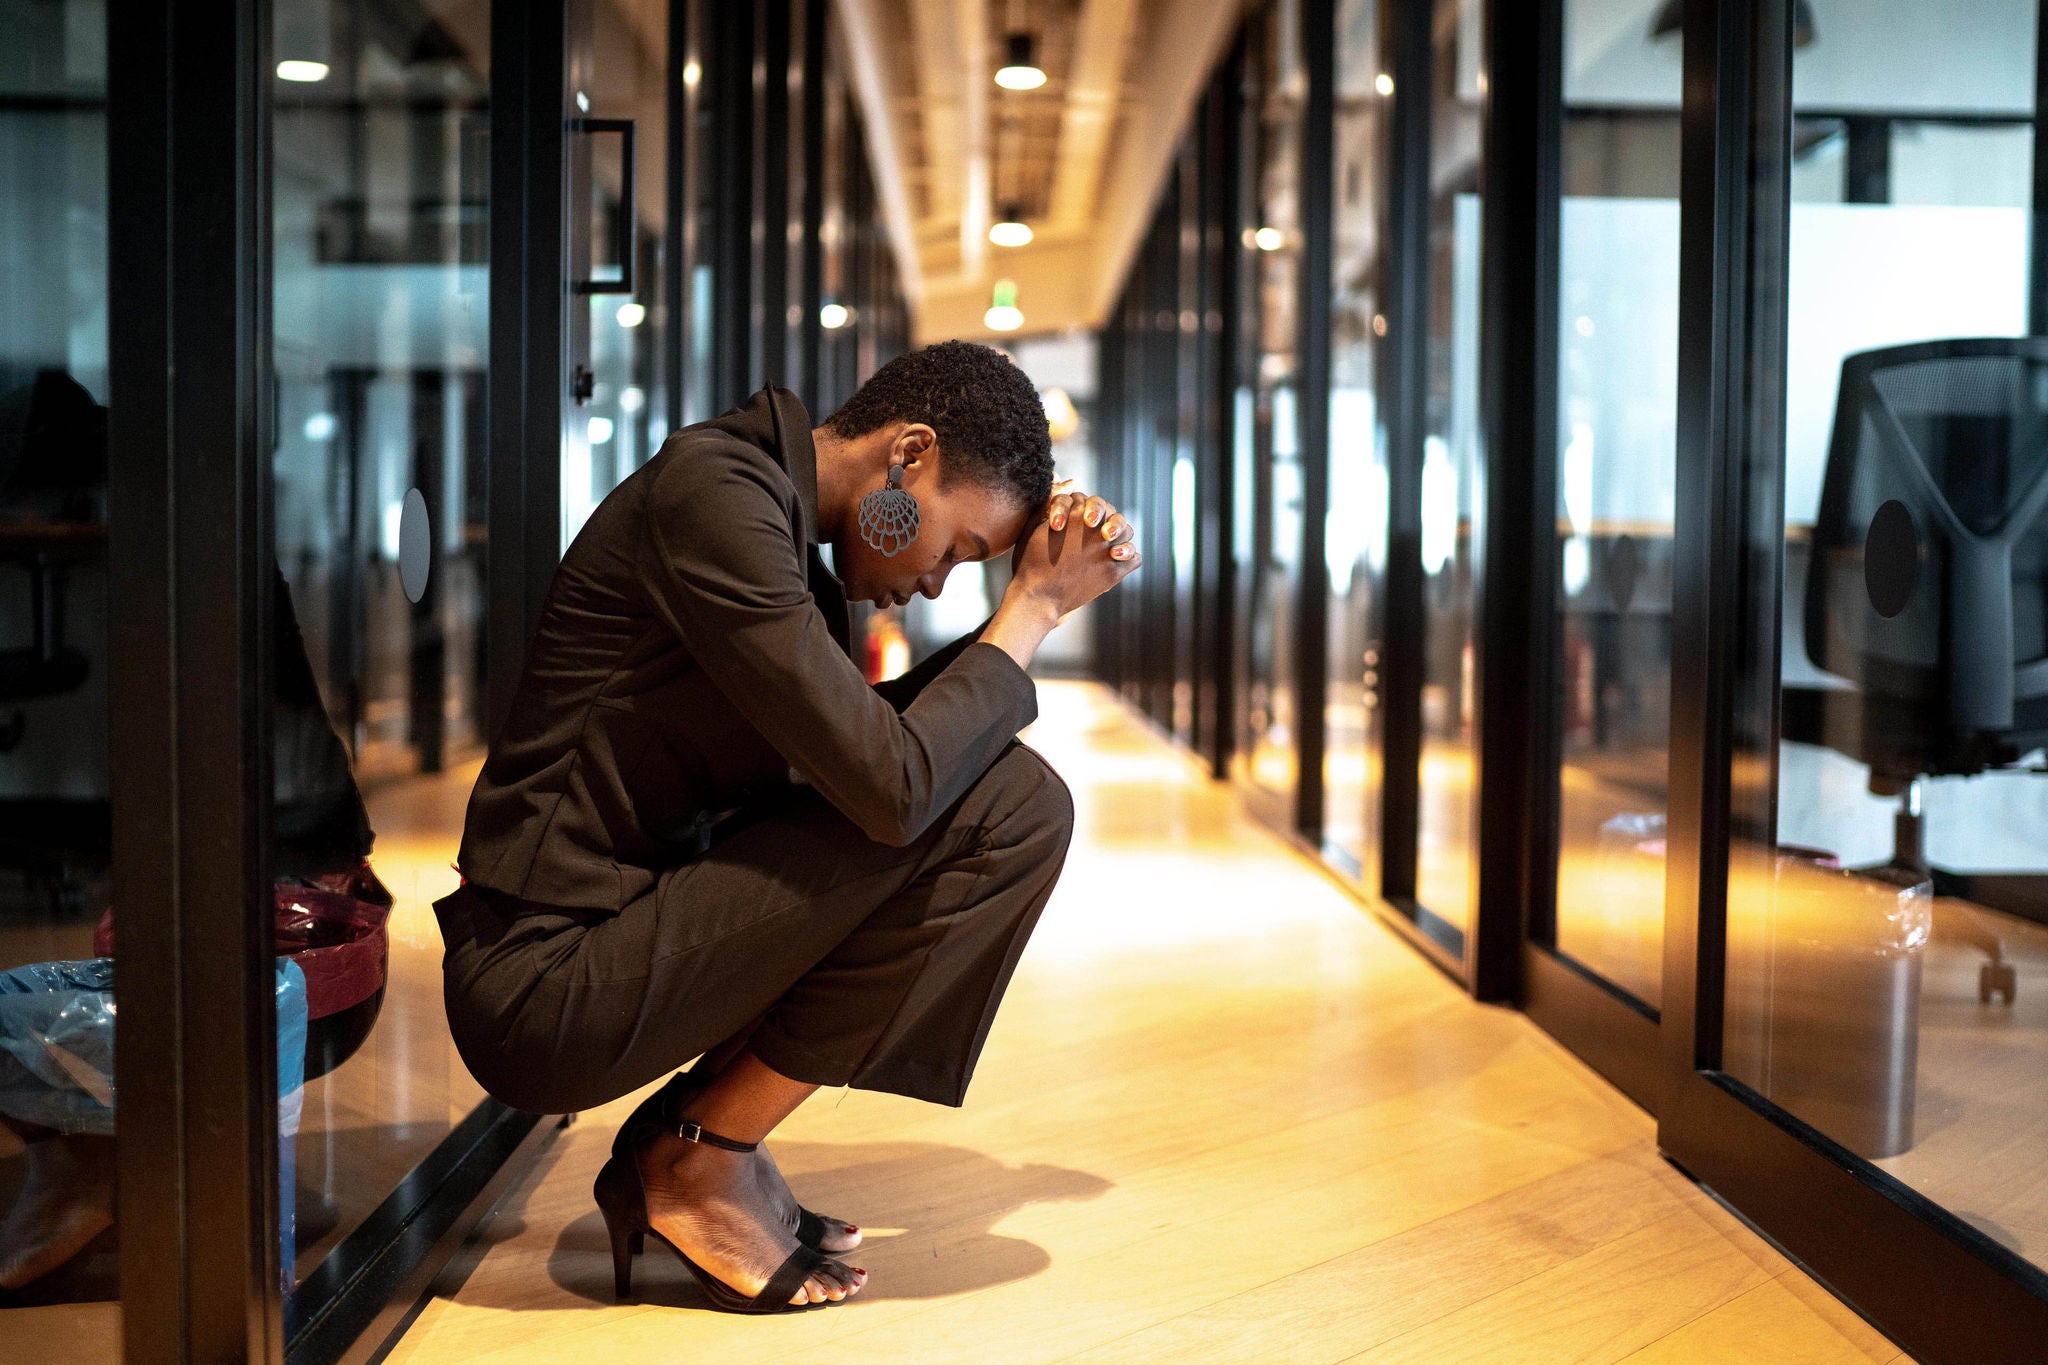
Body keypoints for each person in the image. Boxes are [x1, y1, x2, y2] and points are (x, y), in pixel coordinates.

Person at [432, 340, 1140, 1315]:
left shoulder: (772, 522)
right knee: (1005, 804)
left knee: (1009, 796)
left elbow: (872, 764)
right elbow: (892, 788)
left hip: (627, 934)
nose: (937, 582)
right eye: (959, 549)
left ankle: (701, 1141)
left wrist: (1027, 597)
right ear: (908, 456)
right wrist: (1032, 611)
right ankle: (698, 1158)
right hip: (544, 981)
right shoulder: (714, 501)